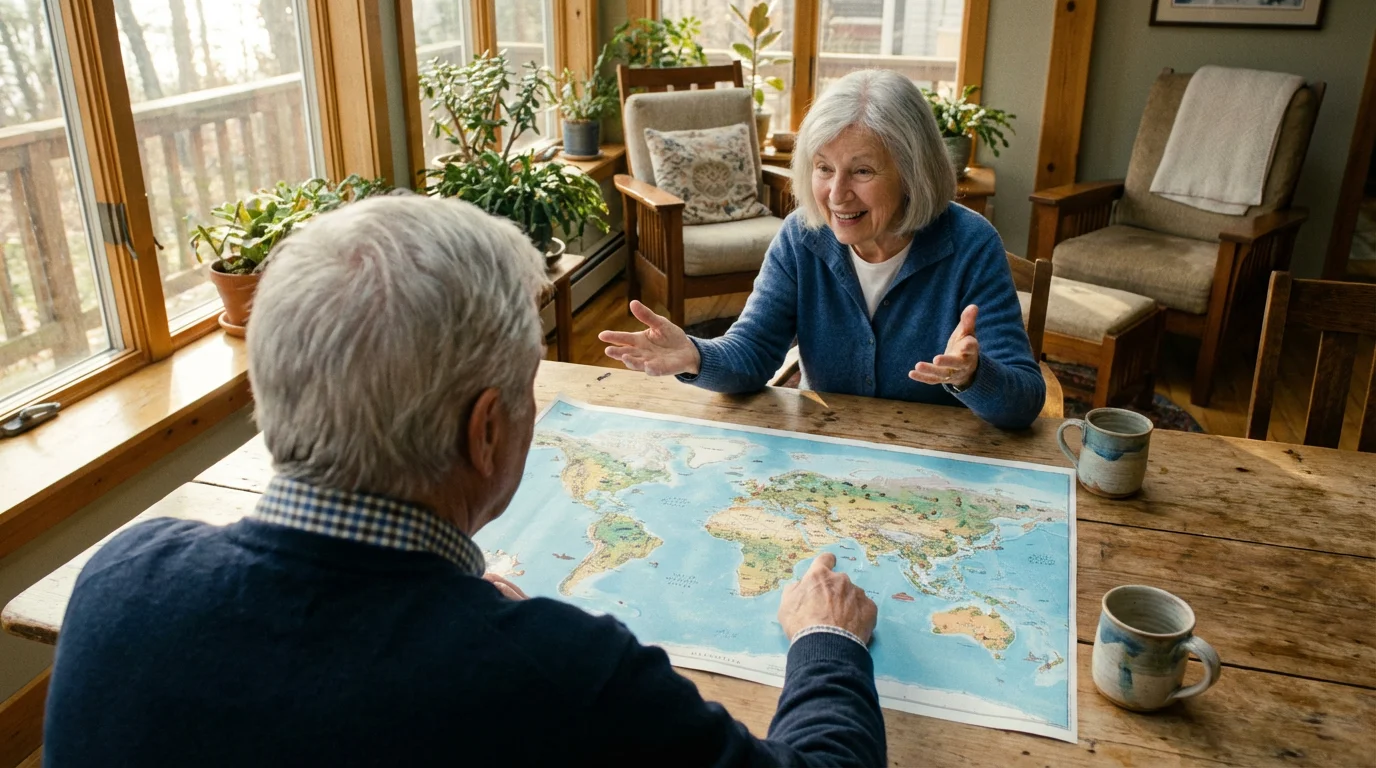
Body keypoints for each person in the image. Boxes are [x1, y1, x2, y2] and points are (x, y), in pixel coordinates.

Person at [43, 196, 886, 767]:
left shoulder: (118, 582)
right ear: (487, 431)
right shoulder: (566, 676)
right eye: (528, 390)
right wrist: (829, 642)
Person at [601, 69, 1044, 429]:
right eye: (823, 168)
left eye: (862, 171)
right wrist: (696, 356)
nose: (835, 194)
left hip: (936, 467)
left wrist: (974, 375)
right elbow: (753, 352)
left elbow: (1024, 402)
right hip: (829, 459)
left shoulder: (971, 243)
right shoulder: (801, 237)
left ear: (913, 173)